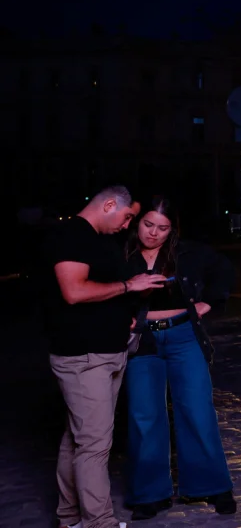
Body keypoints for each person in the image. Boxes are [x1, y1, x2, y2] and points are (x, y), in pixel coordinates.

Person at [42, 186, 166, 528]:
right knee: (95, 445)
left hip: (106, 352)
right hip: (84, 356)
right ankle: (100, 523)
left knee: (78, 438)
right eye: (127, 216)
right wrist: (129, 287)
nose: (129, 225)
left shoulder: (100, 240)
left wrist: (124, 312)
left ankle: (69, 518)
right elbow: (74, 291)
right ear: (109, 204)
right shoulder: (72, 235)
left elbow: (104, 288)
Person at [122, 196, 236, 520]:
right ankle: (149, 494)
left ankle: (212, 486)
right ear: (137, 221)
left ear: (172, 229)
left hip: (184, 336)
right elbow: (106, 290)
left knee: (198, 410)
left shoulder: (188, 251)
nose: (154, 233)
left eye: (162, 227)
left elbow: (224, 269)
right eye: (148, 225)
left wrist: (208, 303)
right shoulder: (122, 253)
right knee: (145, 415)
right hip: (142, 339)